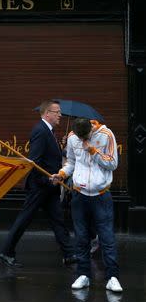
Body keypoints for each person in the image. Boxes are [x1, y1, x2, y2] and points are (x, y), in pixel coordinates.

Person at [0, 100, 76, 268]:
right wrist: (45, 180)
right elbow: (34, 161)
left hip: (50, 186)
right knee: (24, 219)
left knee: (58, 220)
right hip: (40, 186)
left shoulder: (49, 132)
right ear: (47, 113)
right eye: (57, 112)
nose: (60, 115)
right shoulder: (41, 131)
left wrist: (61, 150)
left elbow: (50, 156)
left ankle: (69, 254)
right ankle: (6, 252)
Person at [51, 118, 123, 292]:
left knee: (106, 237)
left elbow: (113, 164)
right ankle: (83, 275)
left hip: (101, 194)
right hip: (79, 194)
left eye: (86, 137)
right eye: (80, 137)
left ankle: (112, 277)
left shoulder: (106, 135)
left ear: (92, 128)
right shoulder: (72, 137)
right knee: (81, 237)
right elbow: (71, 163)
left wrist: (92, 150)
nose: (82, 140)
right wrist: (61, 174)